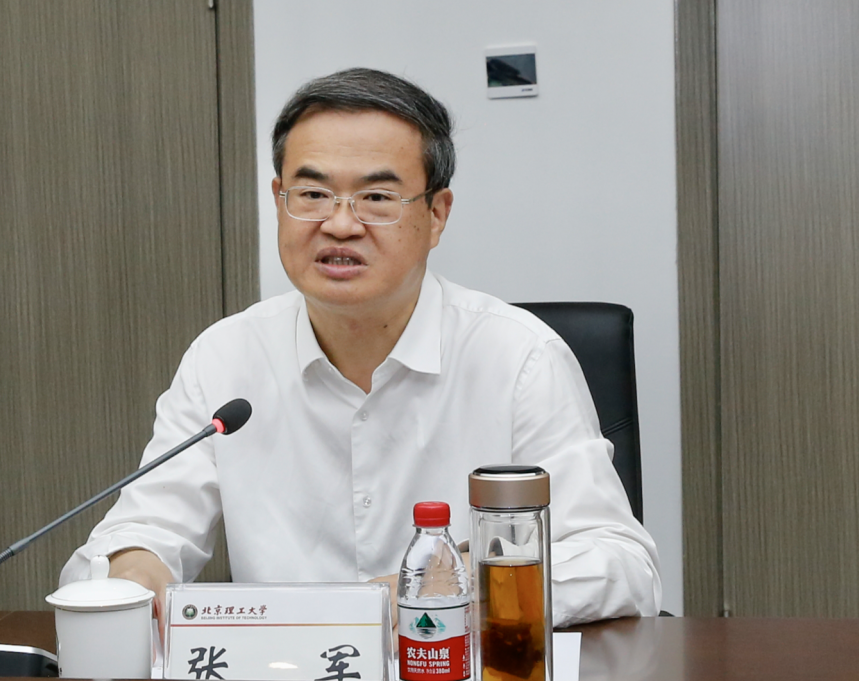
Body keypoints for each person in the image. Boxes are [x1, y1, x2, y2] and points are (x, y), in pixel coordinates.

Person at [61, 67, 662, 628]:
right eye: (312, 194)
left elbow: (619, 561)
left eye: (376, 198)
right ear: (279, 200)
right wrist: (134, 574)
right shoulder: (225, 357)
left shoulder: (518, 358)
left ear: (436, 215)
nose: (340, 224)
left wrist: (443, 586)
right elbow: (146, 529)